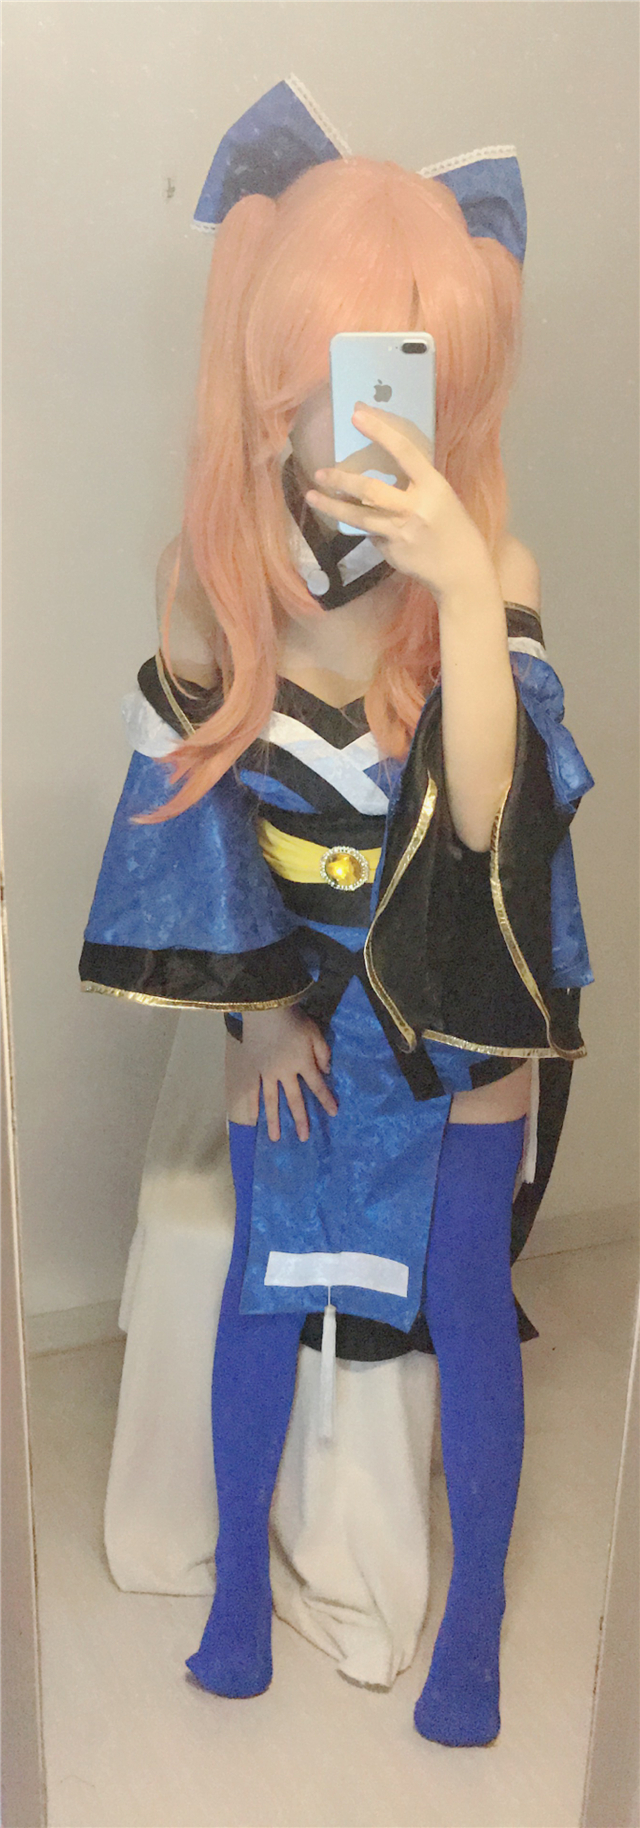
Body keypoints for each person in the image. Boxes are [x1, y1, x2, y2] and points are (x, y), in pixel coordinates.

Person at [80, 81, 593, 1748]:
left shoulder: (492, 569)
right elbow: (191, 840)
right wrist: (254, 1025)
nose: (371, 415)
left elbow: (496, 825)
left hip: (456, 1002)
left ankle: (473, 1622)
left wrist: (459, 590)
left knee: (464, 1300)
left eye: (409, 370)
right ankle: (237, 1585)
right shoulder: (210, 577)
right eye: (341, 371)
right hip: (301, 995)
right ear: (275, 371)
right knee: (260, 1280)